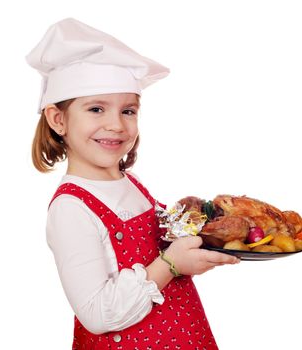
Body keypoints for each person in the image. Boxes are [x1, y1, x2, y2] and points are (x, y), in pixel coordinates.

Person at [27, 18, 239, 349]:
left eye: (128, 111)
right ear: (58, 119)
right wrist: (170, 265)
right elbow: (96, 314)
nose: (116, 124)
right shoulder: (71, 209)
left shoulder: (133, 184)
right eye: (96, 109)